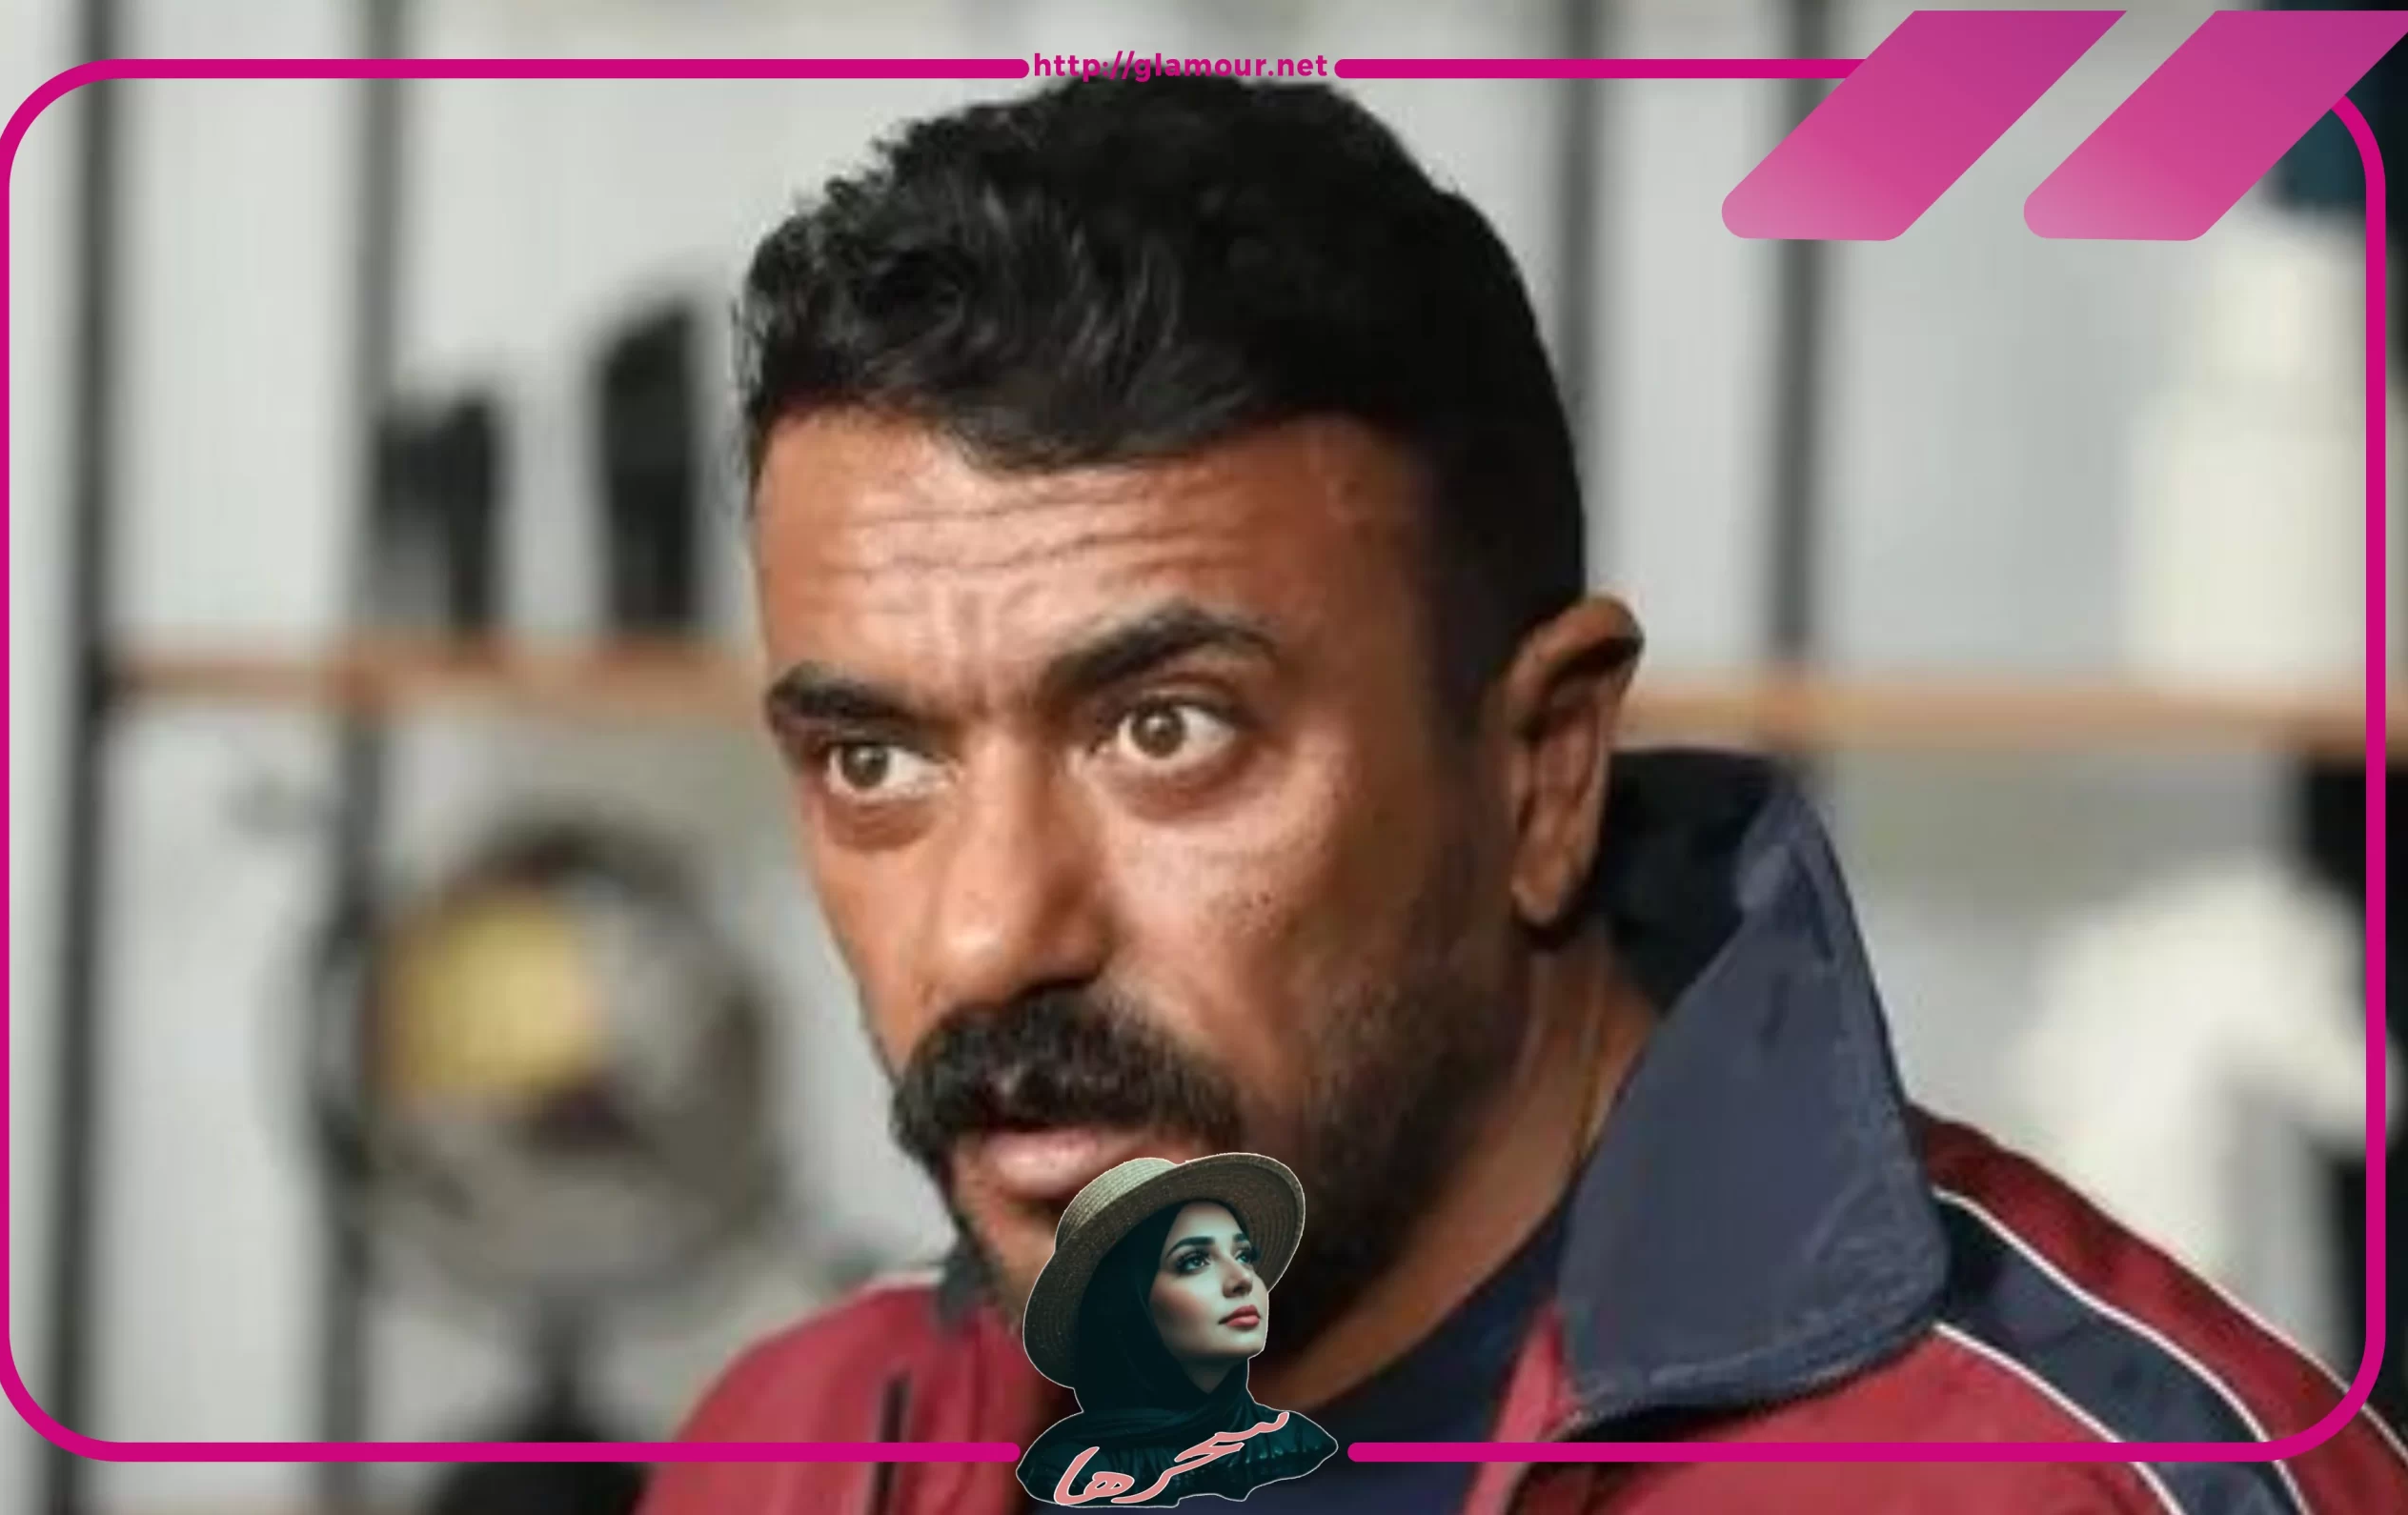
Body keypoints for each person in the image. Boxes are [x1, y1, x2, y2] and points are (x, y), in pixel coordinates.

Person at [640, 74, 2408, 1514]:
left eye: (1166, 730)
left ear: (1544, 768)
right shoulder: (803, 1451)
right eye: (875, 761)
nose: (987, 933)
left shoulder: (2082, 1487)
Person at [1012, 1154, 1336, 1506]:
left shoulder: (1294, 1442)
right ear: (1125, 1304)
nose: (1243, 1279)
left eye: (1244, 1256)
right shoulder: (1067, 1472)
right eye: (1194, 1261)